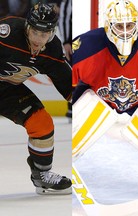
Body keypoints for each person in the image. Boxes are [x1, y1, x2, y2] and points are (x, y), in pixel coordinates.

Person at [0, 3, 72, 194]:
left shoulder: (52, 49)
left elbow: (66, 82)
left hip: (7, 90)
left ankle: (41, 175)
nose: (39, 40)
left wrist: (83, 104)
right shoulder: (6, 34)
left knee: (42, 123)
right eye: (35, 33)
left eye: (45, 34)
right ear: (27, 27)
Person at [72, 0, 138, 115]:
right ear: (108, 26)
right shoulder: (85, 48)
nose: (124, 32)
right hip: (100, 110)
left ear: (136, 24)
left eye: (129, 25)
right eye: (119, 25)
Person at [58, 0, 72, 122]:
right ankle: (72, 107)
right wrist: (66, 41)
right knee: (74, 74)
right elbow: (64, 19)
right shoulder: (68, 2)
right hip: (73, 43)